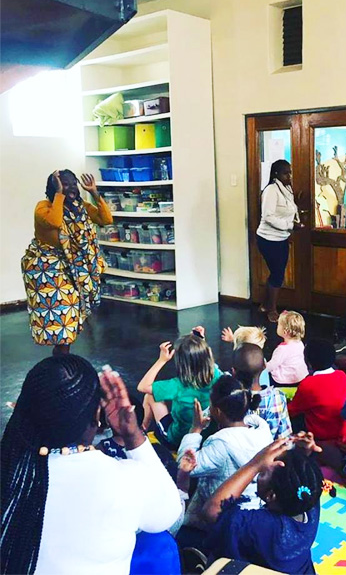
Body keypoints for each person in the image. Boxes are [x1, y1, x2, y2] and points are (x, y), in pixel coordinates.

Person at [0, 356, 181, 574]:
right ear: (97, 415)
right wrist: (133, 435)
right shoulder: (124, 480)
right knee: (158, 544)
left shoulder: (10, 471)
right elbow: (167, 514)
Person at [201, 434, 324, 574]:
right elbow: (303, 478)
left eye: (263, 473)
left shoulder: (262, 525)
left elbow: (212, 510)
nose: (261, 470)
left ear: (271, 496)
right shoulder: (309, 501)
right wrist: (303, 456)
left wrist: (255, 464)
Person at [21, 170, 113, 355]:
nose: (70, 188)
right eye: (64, 184)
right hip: (46, 267)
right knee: (61, 315)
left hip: (72, 267)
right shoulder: (43, 207)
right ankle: (61, 358)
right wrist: (59, 194)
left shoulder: (80, 207)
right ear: (54, 187)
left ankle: (62, 357)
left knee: (70, 316)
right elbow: (54, 222)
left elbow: (106, 219)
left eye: (73, 184)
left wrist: (94, 192)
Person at [177, 375, 273, 526]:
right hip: (252, 509)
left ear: (217, 411)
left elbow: (185, 464)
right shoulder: (262, 430)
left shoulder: (221, 444)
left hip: (221, 516)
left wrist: (196, 429)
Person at [137, 327, 221, 449]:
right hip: (205, 436)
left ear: (181, 363)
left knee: (150, 396)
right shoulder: (217, 375)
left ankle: (141, 432)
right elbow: (205, 361)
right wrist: (199, 342)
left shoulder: (178, 385)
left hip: (178, 440)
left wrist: (162, 360)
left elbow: (143, 386)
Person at [256, 159, 304, 323]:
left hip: (282, 238)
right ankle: (272, 310)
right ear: (276, 174)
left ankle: (265, 305)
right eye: (285, 173)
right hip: (268, 239)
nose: (289, 176)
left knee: (277, 273)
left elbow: (288, 210)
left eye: (290, 172)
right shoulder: (271, 190)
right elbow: (268, 217)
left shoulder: (286, 189)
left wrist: (295, 223)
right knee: (277, 274)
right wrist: (290, 225)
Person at [287, 338, 346, 444]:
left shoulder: (308, 384)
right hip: (345, 433)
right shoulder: (341, 375)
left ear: (308, 362)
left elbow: (291, 411)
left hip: (322, 438)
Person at [232, 343, 293, 440]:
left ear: (234, 371)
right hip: (271, 448)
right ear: (264, 365)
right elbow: (284, 436)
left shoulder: (230, 397)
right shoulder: (277, 397)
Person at [266, 310, 309, 385]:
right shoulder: (300, 343)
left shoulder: (282, 349)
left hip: (284, 380)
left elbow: (272, 365)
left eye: (278, 324)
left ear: (285, 332)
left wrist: (261, 368)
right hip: (300, 377)